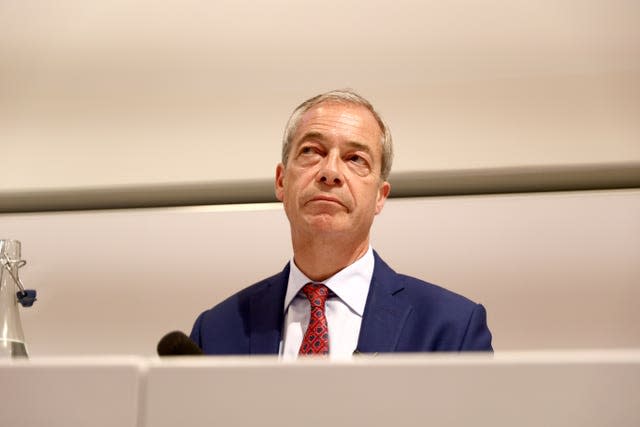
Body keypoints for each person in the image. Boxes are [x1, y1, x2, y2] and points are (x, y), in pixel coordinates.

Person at [190, 89, 492, 357]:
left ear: (379, 197)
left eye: (355, 158)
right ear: (281, 181)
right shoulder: (216, 332)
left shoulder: (452, 330)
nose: (330, 171)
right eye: (311, 151)